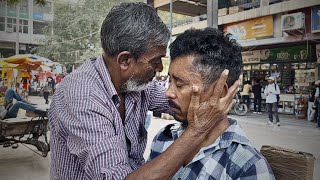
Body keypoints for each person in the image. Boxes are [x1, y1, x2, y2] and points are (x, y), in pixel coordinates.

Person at [48, 3, 238, 179]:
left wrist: (213, 97)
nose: (160, 69)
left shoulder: (135, 85)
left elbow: (181, 101)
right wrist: (197, 131)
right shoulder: (82, 96)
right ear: (125, 61)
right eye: (155, 61)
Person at [149, 28, 275, 179]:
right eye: (170, 80)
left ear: (220, 92)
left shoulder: (248, 167)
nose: (168, 92)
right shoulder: (164, 138)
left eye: (180, 84)